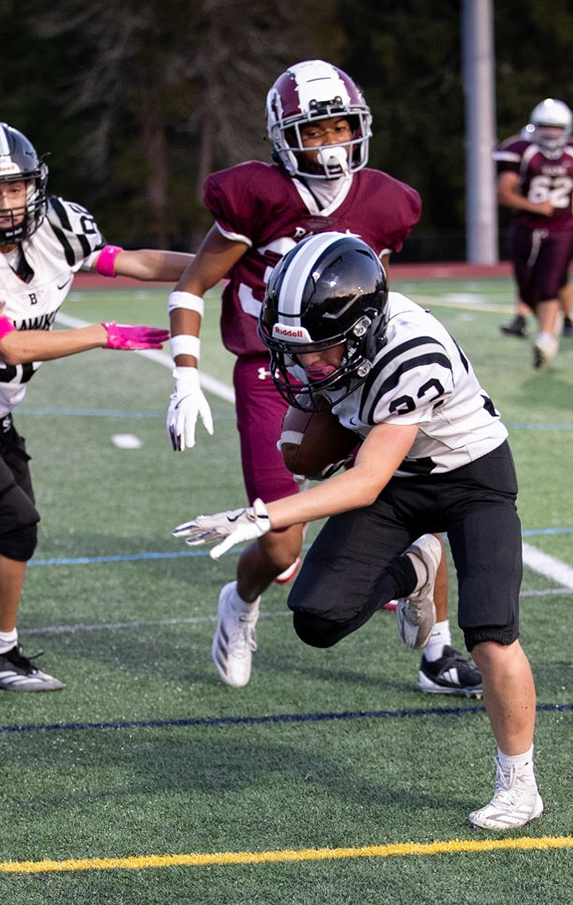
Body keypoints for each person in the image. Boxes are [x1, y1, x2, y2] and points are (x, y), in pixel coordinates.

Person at [172, 233, 543, 829]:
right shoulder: (321, 343)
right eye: (298, 349)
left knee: (491, 633)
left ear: (365, 325)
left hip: (468, 478)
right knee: (317, 618)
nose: (309, 363)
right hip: (395, 477)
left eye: (323, 349)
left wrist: (262, 514)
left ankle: (519, 783)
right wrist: (301, 450)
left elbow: (367, 480)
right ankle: (415, 566)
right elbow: (315, 440)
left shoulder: (412, 351)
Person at [164, 60, 482, 698]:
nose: (331, 144)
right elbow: (193, 282)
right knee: (281, 546)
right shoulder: (254, 195)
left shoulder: (386, 201)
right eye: (316, 131)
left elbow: (375, 292)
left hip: (359, 367)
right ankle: (241, 600)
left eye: (341, 127)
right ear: (284, 136)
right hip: (273, 369)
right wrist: (186, 376)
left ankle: (439, 649)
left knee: (423, 494)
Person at [0, 122, 180, 691]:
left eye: (15, 189)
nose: (4, 205)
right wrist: (103, 334)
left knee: (15, 536)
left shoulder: (60, 228)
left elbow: (139, 263)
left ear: (35, 186)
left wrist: (224, 265)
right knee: (15, 525)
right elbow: (11, 344)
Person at [495, 98, 573, 368]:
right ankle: (549, 325)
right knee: (526, 287)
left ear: (567, 129)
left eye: (556, 129)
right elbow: (502, 193)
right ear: (535, 128)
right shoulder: (522, 152)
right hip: (525, 227)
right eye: (545, 128)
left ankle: (545, 338)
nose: (551, 135)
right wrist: (534, 206)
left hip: (562, 229)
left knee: (550, 284)